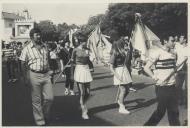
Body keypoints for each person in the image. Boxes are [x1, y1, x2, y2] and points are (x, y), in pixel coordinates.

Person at [19, 28, 54, 126]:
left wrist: (51, 70)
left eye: (39, 34)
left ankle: (43, 113)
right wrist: (25, 76)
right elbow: (22, 62)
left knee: (50, 98)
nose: (39, 36)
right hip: (34, 74)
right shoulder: (26, 49)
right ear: (31, 37)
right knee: (36, 99)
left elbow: (48, 59)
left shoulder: (45, 47)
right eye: (37, 35)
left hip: (46, 74)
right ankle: (40, 120)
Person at [143, 38, 180, 126]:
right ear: (165, 41)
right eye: (172, 40)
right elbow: (146, 68)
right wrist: (156, 78)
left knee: (174, 112)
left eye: (175, 40)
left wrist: (175, 79)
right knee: (161, 111)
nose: (174, 42)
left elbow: (174, 68)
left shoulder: (173, 53)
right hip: (162, 87)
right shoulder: (157, 52)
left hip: (172, 86)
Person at [71, 31, 93, 119]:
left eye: (86, 41)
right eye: (85, 42)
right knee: (82, 92)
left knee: (88, 92)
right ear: (80, 42)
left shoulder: (87, 50)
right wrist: (72, 75)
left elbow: (90, 60)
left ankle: (82, 103)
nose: (86, 43)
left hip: (86, 69)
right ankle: (84, 110)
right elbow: (72, 63)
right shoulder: (75, 50)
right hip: (79, 70)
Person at [110, 38, 132, 114]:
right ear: (120, 45)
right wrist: (117, 76)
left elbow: (127, 61)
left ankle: (120, 101)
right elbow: (111, 67)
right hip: (118, 71)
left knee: (128, 90)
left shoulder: (123, 53)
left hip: (124, 70)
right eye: (124, 44)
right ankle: (121, 107)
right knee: (123, 90)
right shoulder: (114, 53)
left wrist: (128, 52)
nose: (125, 45)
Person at [174, 35, 188, 105]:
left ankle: (186, 102)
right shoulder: (177, 46)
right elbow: (173, 54)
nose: (179, 38)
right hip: (179, 68)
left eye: (181, 37)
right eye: (179, 37)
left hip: (188, 69)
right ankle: (180, 99)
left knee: (187, 87)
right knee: (177, 86)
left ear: (185, 40)